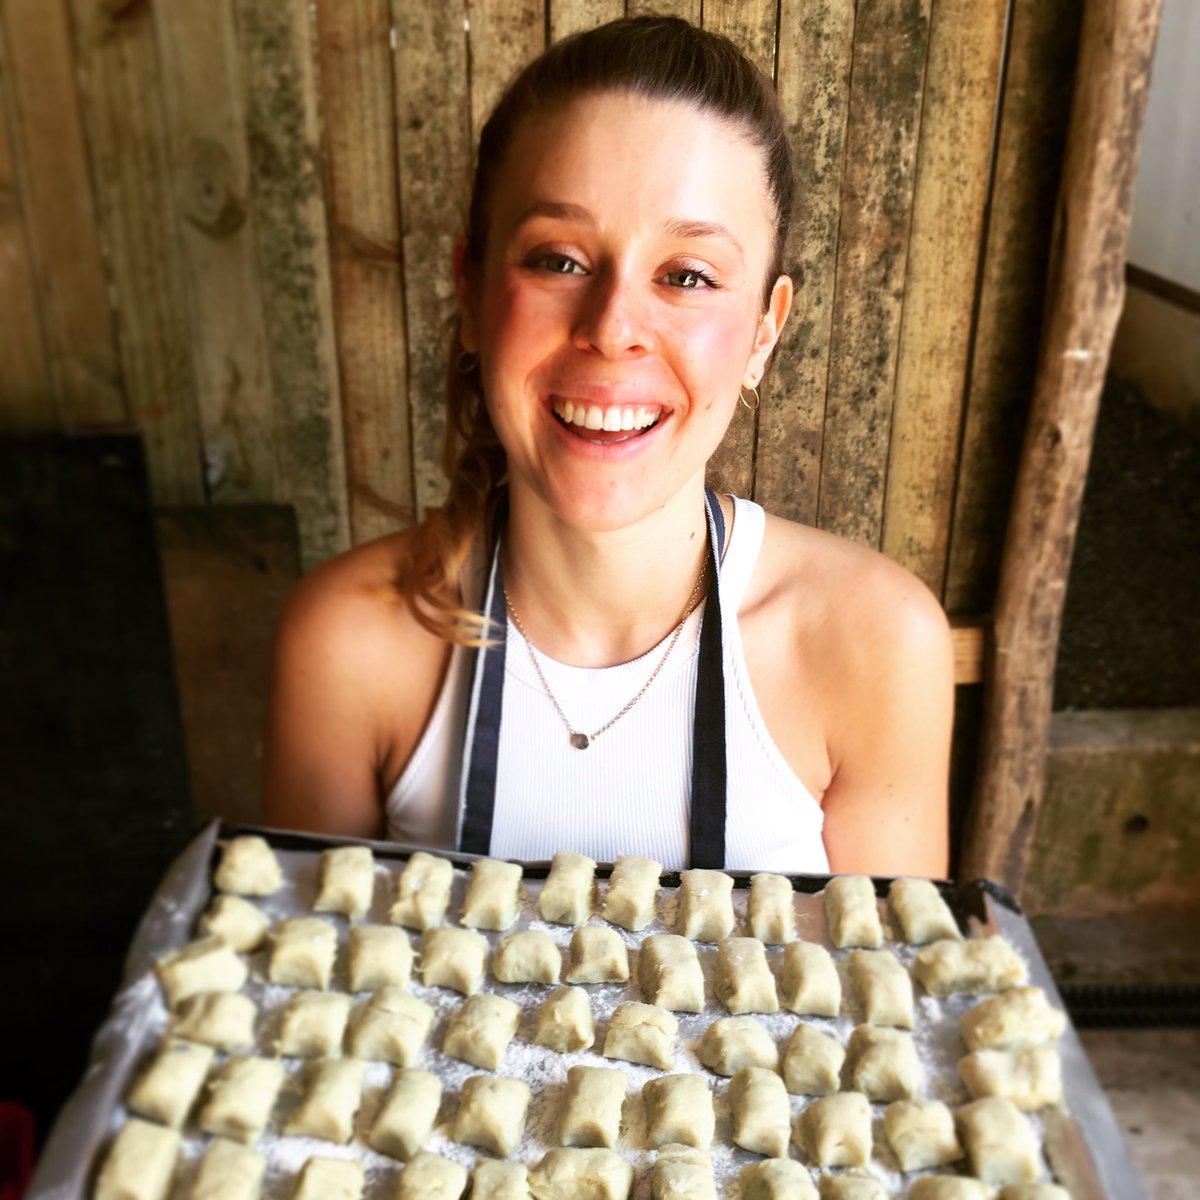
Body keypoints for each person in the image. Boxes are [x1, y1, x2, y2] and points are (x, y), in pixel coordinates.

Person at [262, 16, 954, 877]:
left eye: (687, 275)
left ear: (765, 335)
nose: (613, 329)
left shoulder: (875, 644)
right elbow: (312, 994)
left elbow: (889, 1001)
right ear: (472, 290)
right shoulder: (348, 639)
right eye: (558, 261)